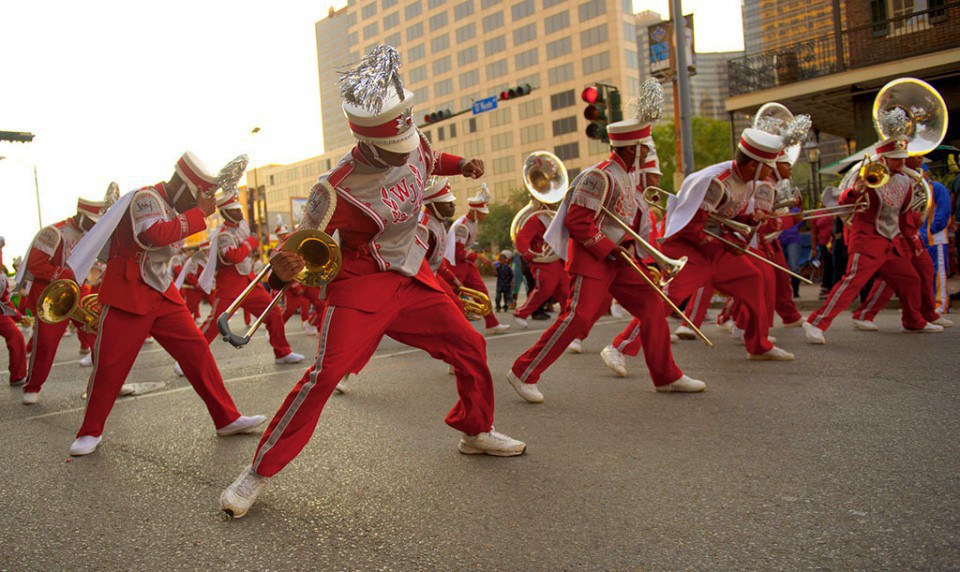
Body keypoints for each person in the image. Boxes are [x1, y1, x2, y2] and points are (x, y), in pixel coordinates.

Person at [220, 46, 525, 519]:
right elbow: (305, 240)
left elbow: (430, 157)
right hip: (363, 282)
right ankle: (257, 472)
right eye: (389, 152)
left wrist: (461, 165)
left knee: (469, 343)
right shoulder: (335, 184)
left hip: (412, 273)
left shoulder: (411, 140)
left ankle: (476, 430)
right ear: (364, 143)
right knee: (324, 376)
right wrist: (285, 267)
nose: (402, 155)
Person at [506, 89, 707, 403]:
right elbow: (578, 222)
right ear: (633, 149)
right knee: (578, 318)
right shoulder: (599, 176)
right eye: (645, 150)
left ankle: (667, 376)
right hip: (595, 258)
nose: (648, 156)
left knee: (653, 306)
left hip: (618, 258)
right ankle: (523, 371)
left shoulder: (625, 177)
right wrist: (611, 249)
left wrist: (627, 253)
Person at [64, 151, 266, 456]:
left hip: (161, 290)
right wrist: (200, 213)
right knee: (109, 364)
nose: (200, 200)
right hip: (128, 290)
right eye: (198, 194)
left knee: (197, 352)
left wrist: (196, 215)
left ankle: (227, 418)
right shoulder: (147, 198)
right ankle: (90, 431)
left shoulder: (173, 205)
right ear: (184, 186)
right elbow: (151, 235)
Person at [609, 128, 796, 362]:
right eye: (770, 165)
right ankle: (620, 347)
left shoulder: (749, 181)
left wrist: (749, 221)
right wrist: (731, 243)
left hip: (716, 246)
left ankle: (758, 345)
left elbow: (727, 217)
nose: (773, 170)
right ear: (754, 165)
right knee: (668, 300)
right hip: (688, 248)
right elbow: (691, 229)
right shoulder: (717, 183)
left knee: (753, 278)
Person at [804, 128, 941, 344]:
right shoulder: (868, 174)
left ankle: (913, 320)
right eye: (897, 159)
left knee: (911, 279)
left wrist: (913, 235)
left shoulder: (905, 181)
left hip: (892, 241)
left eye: (903, 157)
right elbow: (844, 204)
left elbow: (903, 215)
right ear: (884, 158)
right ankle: (816, 322)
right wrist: (856, 189)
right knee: (851, 283)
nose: (902, 162)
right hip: (867, 241)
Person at [194, 193, 304, 368]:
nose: (239, 213)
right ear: (225, 213)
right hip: (230, 284)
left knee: (273, 312)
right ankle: (190, 357)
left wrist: (247, 243)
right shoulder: (223, 235)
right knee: (216, 322)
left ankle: (282, 352)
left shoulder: (242, 227)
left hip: (249, 281)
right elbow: (234, 256)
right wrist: (251, 242)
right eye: (234, 210)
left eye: (239, 209)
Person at [16, 198, 104, 404]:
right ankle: (33, 386)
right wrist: (66, 274)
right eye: (91, 221)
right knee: (46, 342)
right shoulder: (54, 232)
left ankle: (105, 384)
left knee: (97, 332)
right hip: (51, 292)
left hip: (77, 288)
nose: (94, 226)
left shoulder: (90, 235)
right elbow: (36, 265)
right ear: (80, 215)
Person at [850, 158, 953, 329]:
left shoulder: (911, 177)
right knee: (892, 279)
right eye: (915, 156)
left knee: (925, 270)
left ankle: (928, 314)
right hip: (897, 233)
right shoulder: (889, 174)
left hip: (911, 232)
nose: (919, 158)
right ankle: (865, 314)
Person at [444, 187, 510, 334]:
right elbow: (459, 253)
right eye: (482, 213)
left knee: (481, 293)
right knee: (451, 298)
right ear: (474, 211)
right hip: (455, 265)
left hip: (465, 265)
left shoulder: (471, 222)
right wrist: (479, 257)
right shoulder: (462, 226)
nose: (484, 216)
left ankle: (492, 324)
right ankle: (450, 328)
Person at [920, 163, 952, 315]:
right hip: (921, 239)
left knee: (938, 272)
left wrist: (930, 231)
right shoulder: (916, 191)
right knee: (925, 274)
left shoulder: (937, 188)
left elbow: (943, 212)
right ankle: (927, 305)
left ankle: (939, 306)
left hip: (936, 239)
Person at [1, 243, 27, 386]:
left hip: (1, 315)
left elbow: (4, 300)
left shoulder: (2, 275)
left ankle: (17, 376)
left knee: (16, 336)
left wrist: (19, 317)